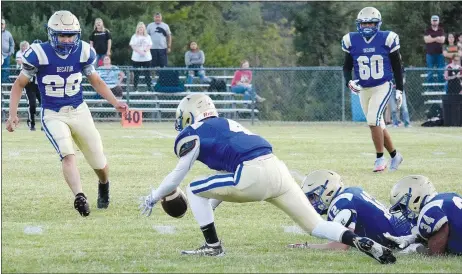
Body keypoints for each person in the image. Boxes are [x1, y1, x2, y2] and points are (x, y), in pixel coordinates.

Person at [138, 93, 396, 264]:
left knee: (193, 188)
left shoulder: (194, 132)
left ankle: (212, 246)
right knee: (315, 226)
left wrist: (154, 197)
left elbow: (177, 176)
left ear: (189, 115)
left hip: (252, 173)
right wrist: (209, 206)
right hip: (276, 169)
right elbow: (223, 185)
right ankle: (359, 241)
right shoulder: (226, 124)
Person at [5, 10, 128, 216]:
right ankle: (80, 196)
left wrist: (115, 102)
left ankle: (104, 184)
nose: (67, 39)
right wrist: (13, 114)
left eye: (71, 34)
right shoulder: (38, 53)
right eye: (62, 34)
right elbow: (18, 85)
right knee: (67, 154)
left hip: (79, 110)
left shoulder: (84, 51)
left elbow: (96, 81)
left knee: (99, 162)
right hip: (53, 113)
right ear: (52, 34)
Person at [342, 7, 404, 172]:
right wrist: (349, 81)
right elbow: (346, 67)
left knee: (372, 120)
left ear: (378, 24)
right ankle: (395, 156)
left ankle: (379, 159)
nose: (367, 26)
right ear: (359, 25)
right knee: (378, 123)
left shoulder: (387, 38)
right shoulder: (351, 40)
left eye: (371, 23)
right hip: (364, 88)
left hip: (382, 85)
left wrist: (400, 90)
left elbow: (398, 67)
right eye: (364, 23)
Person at [287, 170, 412, 250]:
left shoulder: (341, 203)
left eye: (313, 197)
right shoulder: (350, 191)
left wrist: (307, 246)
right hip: (403, 228)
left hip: (400, 239)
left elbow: (340, 247)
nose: (311, 202)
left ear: (328, 191)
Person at [385, 175, 462, 255]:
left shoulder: (430, 209)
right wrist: (415, 238)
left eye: (404, 207)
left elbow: (436, 254)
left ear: (416, 198)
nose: (404, 212)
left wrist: (419, 250)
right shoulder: (449, 195)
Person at [423, 15, 446, 88]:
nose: (435, 21)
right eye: (433, 20)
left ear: (438, 21)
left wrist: (432, 38)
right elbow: (426, 40)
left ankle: (441, 87)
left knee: (440, 71)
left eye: (436, 20)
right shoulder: (427, 30)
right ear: (431, 21)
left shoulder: (441, 30)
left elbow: (442, 40)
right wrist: (437, 38)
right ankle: (430, 88)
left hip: (440, 54)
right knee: (430, 71)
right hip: (430, 54)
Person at [130, 22, 152, 92]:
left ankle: (149, 88)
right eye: (139, 28)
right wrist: (139, 51)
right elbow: (132, 45)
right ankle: (135, 87)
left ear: (144, 29)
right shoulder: (134, 36)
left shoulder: (148, 36)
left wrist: (145, 51)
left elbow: (150, 45)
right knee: (136, 74)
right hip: (136, 59)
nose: (141, 29)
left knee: (147, 74)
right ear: (137, 29)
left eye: (142, 28)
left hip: (146, 58)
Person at [2, 18, 15, 83]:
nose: (1, 25)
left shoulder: (8, 34)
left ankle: (4, 85)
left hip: (6, 55)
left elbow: (12, 43)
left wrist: (11, 52)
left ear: (5, 25)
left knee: (6, 70)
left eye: (2, 24)